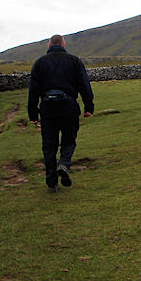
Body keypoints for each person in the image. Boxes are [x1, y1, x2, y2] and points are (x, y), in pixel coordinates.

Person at [28, 35, 94, 192]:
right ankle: (64, 163)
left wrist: (32, 115)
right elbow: (85, 85)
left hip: (47, 108)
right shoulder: (74, 61)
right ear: (63, 44)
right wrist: (88, 107)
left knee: (49, 146)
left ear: (49, 44)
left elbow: (33, 91)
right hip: (69, 106)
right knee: (69, 140)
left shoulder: (40, 63)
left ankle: (52, 184)